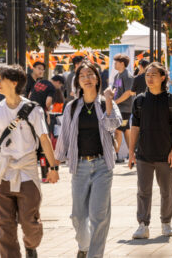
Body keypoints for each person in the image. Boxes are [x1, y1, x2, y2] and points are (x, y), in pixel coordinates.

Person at [0, 65, 60, 258]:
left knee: (30, 223)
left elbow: (44, 139)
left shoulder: (33, 109)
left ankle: (30, 246)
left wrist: (53, 167)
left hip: (27, 171)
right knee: (4, 226)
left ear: (14, 82)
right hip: (3, 173)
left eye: (1, 79)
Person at [54, 61, 121, 258]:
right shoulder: (72, 107)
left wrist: (108, 100)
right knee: (77, 216)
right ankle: (84, 246)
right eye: (82, 76)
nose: (87, 78)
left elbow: (112, 126)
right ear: (78, 82)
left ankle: (94, 255)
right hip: (79, 166)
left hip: (102, 166)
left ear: (97, 79)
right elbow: (64, 136)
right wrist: (54, 164)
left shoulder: (105, 103)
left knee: (98, 217)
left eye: (90, 74)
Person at [129, 62, 172, 239]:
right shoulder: (139, 101)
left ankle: (166, 223)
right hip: (144, 154)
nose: (149, 78)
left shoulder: (171, 101)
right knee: (143, 191)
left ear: (162, 78)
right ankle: (143, 225)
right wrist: (131, 153)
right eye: (147, 75)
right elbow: (134, 128)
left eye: (153, 75)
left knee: (167, 191)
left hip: (165, 154)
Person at [110, 54, 135, 163]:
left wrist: (116, 102)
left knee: (118, 131)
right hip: (118, 108)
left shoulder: (128, 76)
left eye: (116, 62)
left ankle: (116, 155)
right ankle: (132, 155)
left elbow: (129, 92)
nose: (114, 64)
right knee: (125, 131)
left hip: (124, 109)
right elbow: (115, 91)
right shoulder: (117, 76)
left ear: (122, 64)